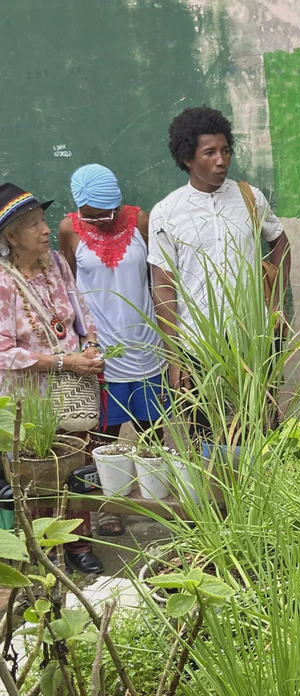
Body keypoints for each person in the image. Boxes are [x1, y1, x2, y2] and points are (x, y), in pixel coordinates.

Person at [148, 106, 291, 394]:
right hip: (197, 344)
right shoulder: (166, 213)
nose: (221, 161)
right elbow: (163, 285)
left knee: (261, 417)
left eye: (225, 151)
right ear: (188, 158)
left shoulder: (249, 198)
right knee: (203, 420)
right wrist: (174, 355)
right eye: (210, 153)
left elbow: (280, 243)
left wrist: (276, 304)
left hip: (254, 338)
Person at [0, 183, 105, 574]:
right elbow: (4, 353)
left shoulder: (57, 263)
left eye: (43, 220)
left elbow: (82, 311)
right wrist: (65, 362)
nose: (45, 229)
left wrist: (90, 346)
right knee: (38, 472)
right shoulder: (3, 281)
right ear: (11, 237)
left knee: (77, 465)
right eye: (32, 224)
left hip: (72, 389)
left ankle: (79, 541)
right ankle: (43, 548)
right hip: (29, 397)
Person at [59, 164, 168, 537]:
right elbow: (68, 286)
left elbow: (160, 279)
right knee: (102, 436)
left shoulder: (141, 222)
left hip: (147, 345)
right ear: (80, 206)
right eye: (95, 215)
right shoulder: (70, 229)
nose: (104, 220)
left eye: (110, 211)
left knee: (152, 430)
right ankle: (108, 506)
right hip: (101, 351)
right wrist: (80, 344)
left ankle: (153, 499)